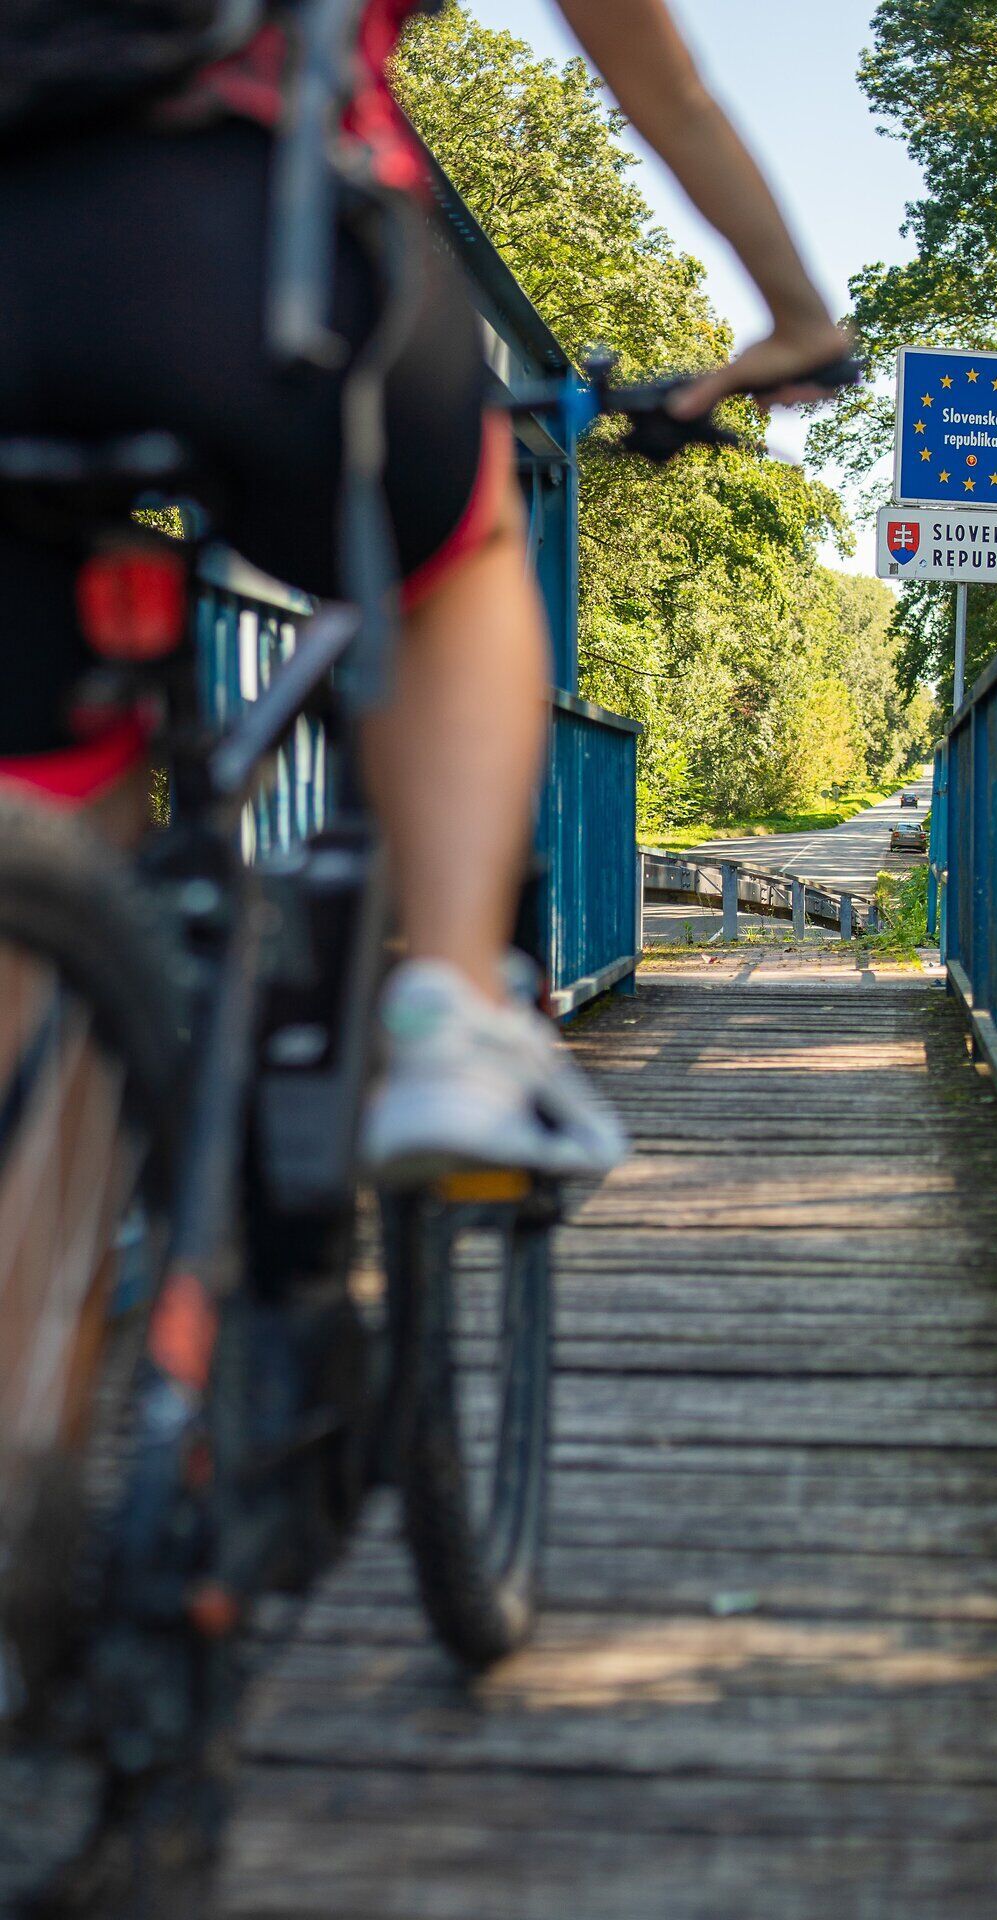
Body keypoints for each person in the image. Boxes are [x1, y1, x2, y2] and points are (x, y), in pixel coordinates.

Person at [0, 0, 849, 1179]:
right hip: (231, 237)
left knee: (35, 948)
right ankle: (451, 1011)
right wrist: (799, 321)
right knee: (466, 540)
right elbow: (667, 81)